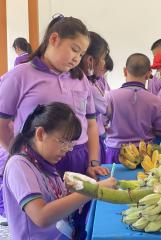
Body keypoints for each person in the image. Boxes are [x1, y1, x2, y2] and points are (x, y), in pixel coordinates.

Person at [0, 15, 107, 238]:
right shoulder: (21, 75)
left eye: (81, 54)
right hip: (38, 158)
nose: (77, 58)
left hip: (76, 155)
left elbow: (91, 124)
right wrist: (22, 156)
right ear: (54, 39)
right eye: (74, 49)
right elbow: (2, 124)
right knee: (44, 216)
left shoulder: (79, 80)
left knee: (76, 218)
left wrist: (93, 161)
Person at [3, 102, 116, 240]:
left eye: (70, 144)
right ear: (40, 134)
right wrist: (93, 190)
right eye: (63, 142)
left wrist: (86, 181)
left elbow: (59, 199)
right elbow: (41, 216)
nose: (67, 149)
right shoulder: (19, 165)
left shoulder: (44, 163)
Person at [104, 53, 161, 163]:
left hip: (115, 151)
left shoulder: (110, 96)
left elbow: (101, 124)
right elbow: (160, 131)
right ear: (148, 74)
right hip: (145, 154)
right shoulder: (155, 100)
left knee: (112, 179)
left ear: (125, 71)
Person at [79, 31, 110, 165]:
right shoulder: (87, 85)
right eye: (103, 58)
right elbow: (104, 107)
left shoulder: (87, 82)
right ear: (90, 60)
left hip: (88, 147)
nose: (104, 64)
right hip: (84, 147)